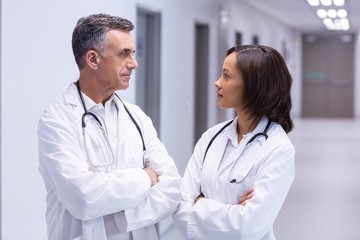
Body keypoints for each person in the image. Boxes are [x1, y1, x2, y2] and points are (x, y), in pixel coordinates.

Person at [37, 13, 181, 240]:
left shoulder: (136, 117)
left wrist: (120, 216)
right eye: (124, 54)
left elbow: (172, 189)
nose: (134, 63)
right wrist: (145, 178)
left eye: (133, 53)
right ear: (93, 59)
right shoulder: (56, 120)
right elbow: (83, 198)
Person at [173, 45, 295, 240]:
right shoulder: (211, 137)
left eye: (226, 76)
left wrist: (200, 203)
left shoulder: (278, 149)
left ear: (253, 86)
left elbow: (247, 228)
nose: (217, 83)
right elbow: (179, 207)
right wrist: (232, 211)